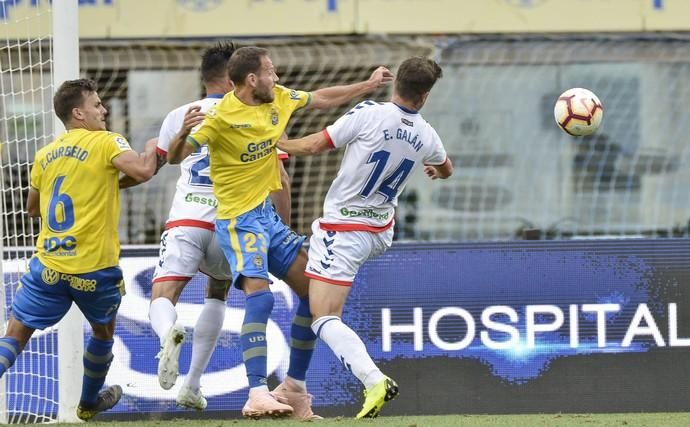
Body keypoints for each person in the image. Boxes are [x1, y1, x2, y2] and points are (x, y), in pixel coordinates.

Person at [167, 46, 394, 419]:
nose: (277, 77)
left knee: (312, 289)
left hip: (267, 218)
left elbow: (321, 98)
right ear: (252, 79)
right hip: (238, 220)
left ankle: (295, 389)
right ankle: (256, 392)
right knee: (260, 298)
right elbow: (177, 156)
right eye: (270, 72)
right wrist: (180, 135)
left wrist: (367, 85)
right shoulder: (221, 116)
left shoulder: (280, 98)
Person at [276, 56, 453, 418]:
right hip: (379, 232)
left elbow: (314, 145)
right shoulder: (426, 133)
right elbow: (446, 167)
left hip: (344, 229)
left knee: (323, 317)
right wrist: (436, 168)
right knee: (313, 299)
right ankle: (294, 386)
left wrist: (280, 144)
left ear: (396, 84)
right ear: (424, 97)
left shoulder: (369, 114)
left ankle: (373, 381)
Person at [0, 78, 157, 421]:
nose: (103, 110)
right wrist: (154, 149)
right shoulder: (107, 142)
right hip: (94, 269)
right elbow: (144, 170)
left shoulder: (45, 154)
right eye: (97, 104)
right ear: (78, 112)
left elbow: (33, 208)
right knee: (103, 332)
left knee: (15, 335)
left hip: (49, 266)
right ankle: (88, 403)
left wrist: (96, 187)